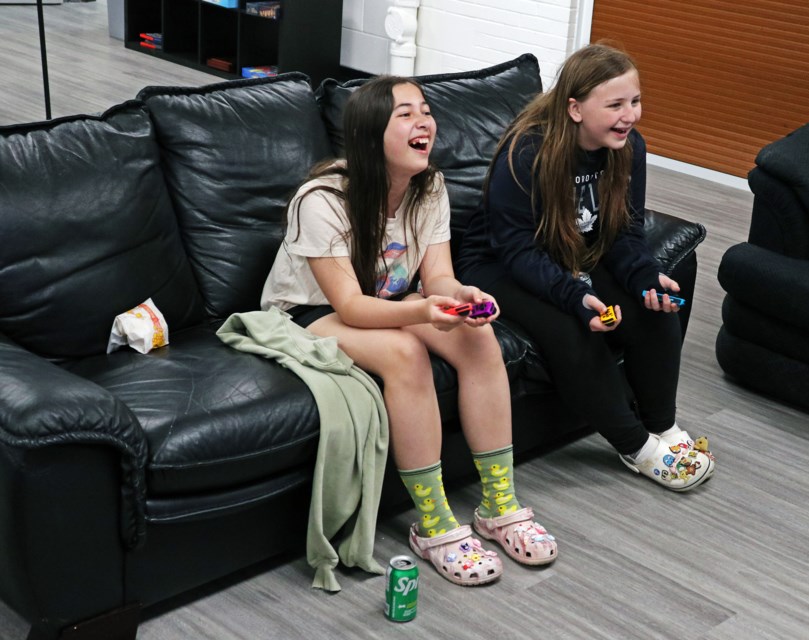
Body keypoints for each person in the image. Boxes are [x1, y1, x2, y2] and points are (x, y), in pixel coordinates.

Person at [260, 76, 558, 586]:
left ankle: (498, 503)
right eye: (406, 114)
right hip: (306, 314)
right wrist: (423, 313)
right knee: (403, 352)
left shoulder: (430, 187)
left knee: (478, 336)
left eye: (425, 111)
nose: (425, 122)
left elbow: (435, 276)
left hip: (390, 301)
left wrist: (460, 296)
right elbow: (351, 305)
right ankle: (435, 522)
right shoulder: (322, 200)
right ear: (370, 133)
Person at [457, 43, 716, 492]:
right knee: (570, 328)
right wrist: (574, 295)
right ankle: (636, 447)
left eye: (634, 101)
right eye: (615, 104)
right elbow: (517, 250)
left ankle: (663, 428)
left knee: (653, 306)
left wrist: (642, 277)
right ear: (575, 108)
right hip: (497, 265)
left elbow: (623, 231)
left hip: (568, 256)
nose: (630, 114)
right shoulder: (527, 152)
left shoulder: (629, 148)